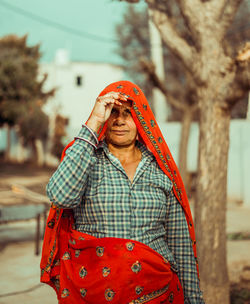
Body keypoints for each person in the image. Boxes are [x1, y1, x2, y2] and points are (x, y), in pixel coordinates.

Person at [40, 80, 205, 304]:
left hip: (157, 291)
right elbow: (60, 196)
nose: (119, 120)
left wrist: (193, 299)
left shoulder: (160, 170)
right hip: (95, 292)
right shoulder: (86, 160)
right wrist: (95, 121)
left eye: (128, 113)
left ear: (140, 120)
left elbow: (180, 243)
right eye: (113, 113)